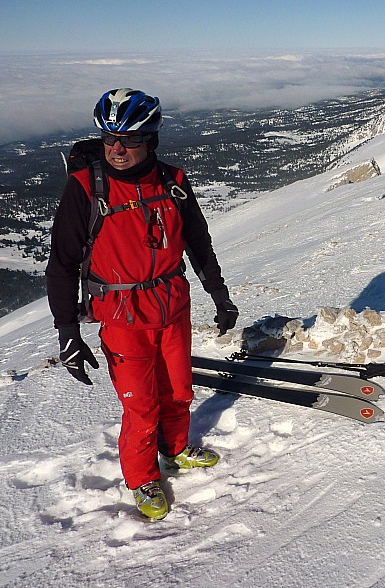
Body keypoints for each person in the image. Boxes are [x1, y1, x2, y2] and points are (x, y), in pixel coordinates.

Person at [45, 88, 239, 521]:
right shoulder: (86, 187)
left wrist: (219, 295)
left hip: (172, 304)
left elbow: (198, 243)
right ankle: (142, 476)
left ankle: (173, 451)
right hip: (121, 314)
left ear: (150, 138)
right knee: (141, 404)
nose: (117, 148)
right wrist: (67, 332)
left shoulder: (173, 182)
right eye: (109, 138)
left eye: (130, 139)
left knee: (178, 390)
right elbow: (62, 262)